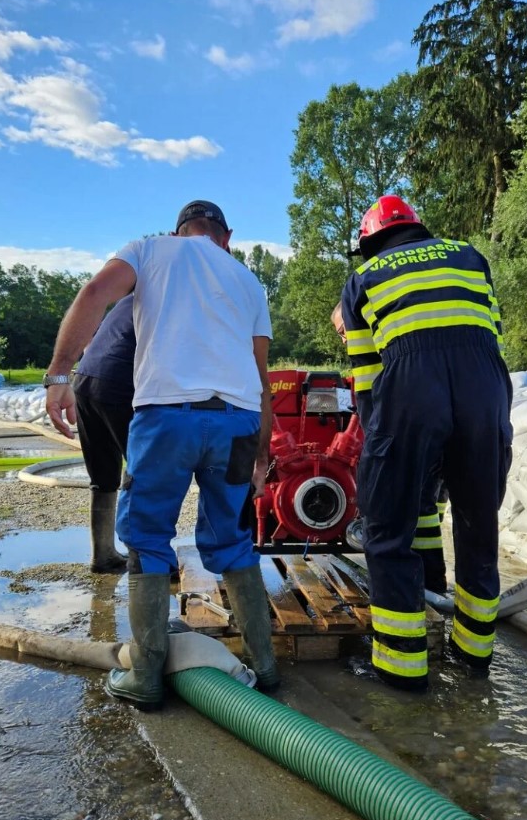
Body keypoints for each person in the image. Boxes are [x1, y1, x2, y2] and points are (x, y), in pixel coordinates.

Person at [44, 199, 280, 709]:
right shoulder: (248, 282)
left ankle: (146, 675)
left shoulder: (150, 251)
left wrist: (61, 372)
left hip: (167, 416)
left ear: (178, 232)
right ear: (227, 236)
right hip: (237, 421)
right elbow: (261, 374)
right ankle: (266, 665)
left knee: (149, 539)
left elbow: (93, 294)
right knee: (235, 541)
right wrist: (262, 452)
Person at [340, 194, 512, 692]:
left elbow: (369, 381)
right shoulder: (469, 256)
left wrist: (383, 455)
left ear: (369, 241)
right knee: (479, 525)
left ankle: (401, 670)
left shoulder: (363, 280)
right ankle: (474, 658)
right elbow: (487, 333)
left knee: (387, 530)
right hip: (486, 390)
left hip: (410, 388)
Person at [332, 302, 450, 595]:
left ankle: (419, 587)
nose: (345, 340)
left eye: (344, 331)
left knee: (417, 513)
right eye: (340, 335)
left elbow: (374, 410)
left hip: (419, 437)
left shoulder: (385, 355)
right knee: (427, 514)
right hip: (436, 430)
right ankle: (430, 583)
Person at [71, 294, 135, 573]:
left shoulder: (127, 301)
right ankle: (144, 557)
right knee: (142, 468)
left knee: (103, 472)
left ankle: (103, 554)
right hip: (119, 384)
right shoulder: (165, 301)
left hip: (84, 381)